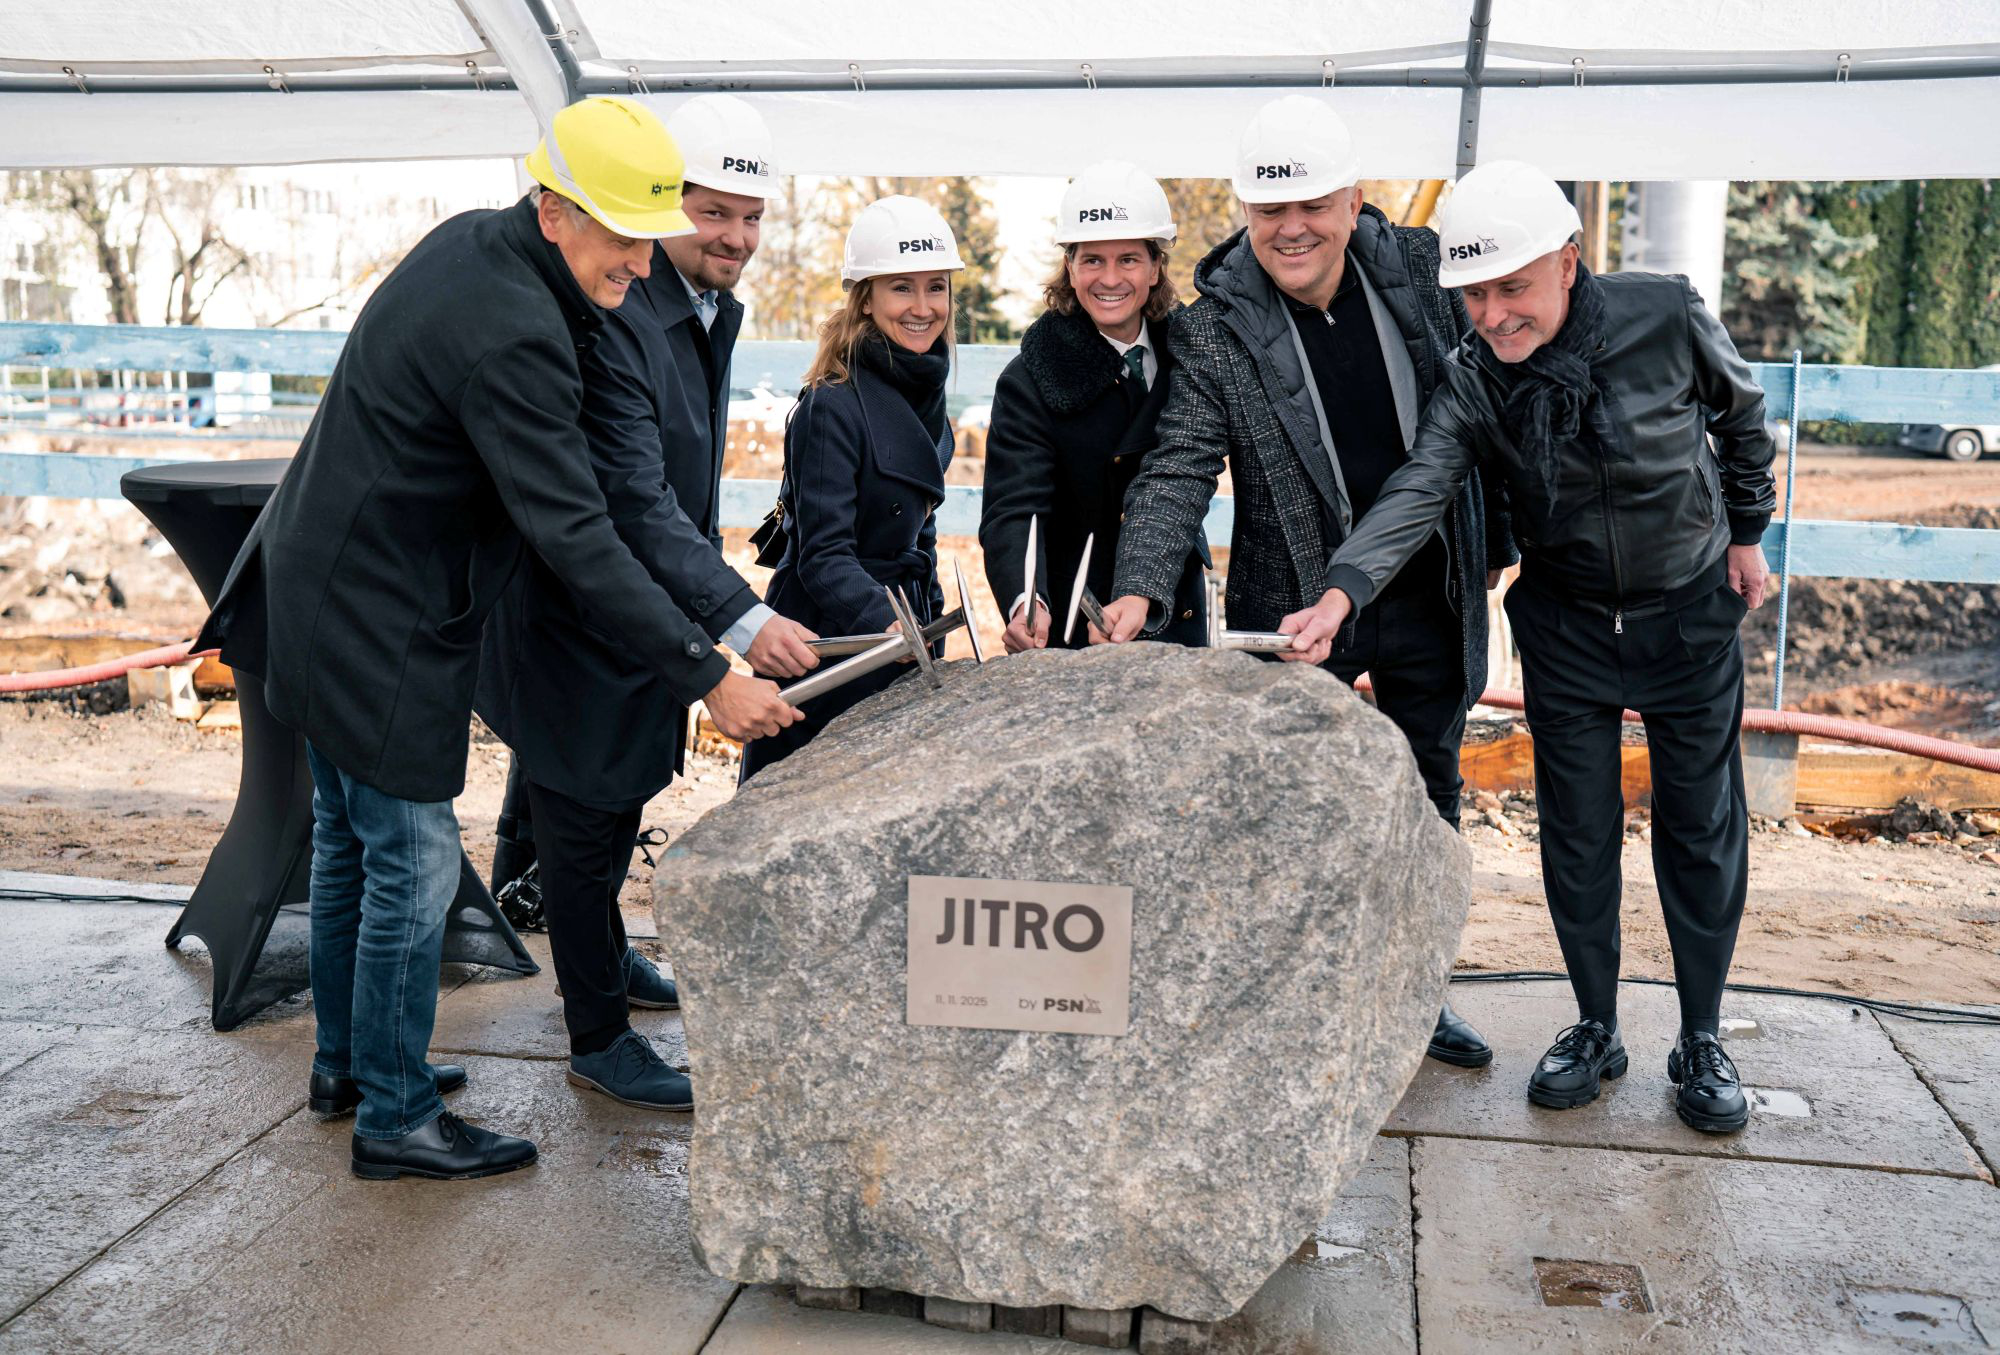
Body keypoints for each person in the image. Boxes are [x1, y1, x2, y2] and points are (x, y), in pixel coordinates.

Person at [193, 96, 800, 1181]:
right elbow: (577, 530)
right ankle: (395, 1116)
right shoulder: (517, 329)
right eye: (622, 236)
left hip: (313, 586)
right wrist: (708, 672)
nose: (639, 262)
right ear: (555, 210)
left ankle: (350, 1064)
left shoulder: (477, 243)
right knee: (414, 862)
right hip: (377, 617)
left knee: (349, 845)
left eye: (648, 235)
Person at [1306, 160, 1776, 1133]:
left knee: (1699, 826)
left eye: (1510, 287)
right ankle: (1595, 1024)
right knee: (1576, 830)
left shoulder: (1664, 314)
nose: (1491, 315)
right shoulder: (1476, 376)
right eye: (1473, 295)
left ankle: (1700, 1036)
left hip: (1687, 611)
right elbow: (1421, 484)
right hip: (1565, 622)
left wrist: (1744, 529)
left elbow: (1741, 417)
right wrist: (1343, 588)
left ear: (1568, 262)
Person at [1096, 96, 1509, 1072]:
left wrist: (1505, 534)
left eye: (1312, 205)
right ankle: (1296, 999)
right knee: (1287, 804)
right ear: (1244, 209)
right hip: (1289, 605)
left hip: (1428, 585)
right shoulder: (1212, 330)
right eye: (1269, 208)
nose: (1291, 228)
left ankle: (1417, 996)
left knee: (1426, 789)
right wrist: (1139, 586)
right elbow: (1178, 463)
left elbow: (1500, 388)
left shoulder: (1428, 273)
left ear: (1352, 201)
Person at [476, 95, 818, 1113]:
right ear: (667, 211)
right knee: (586, 820)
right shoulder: (622, 310)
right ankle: (596, 1036)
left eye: (751, 217)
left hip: (649, 599)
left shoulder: (705, 306)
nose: (736, 238)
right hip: (582, 608)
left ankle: (607, 956)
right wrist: (741, 618)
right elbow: (634, 497)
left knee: (613, 798)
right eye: (713, 213)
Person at [739, 195, 964, 777]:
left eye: (936, 287)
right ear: (865, 298)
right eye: (901, 288)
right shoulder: (831, 405)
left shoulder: (926, 394)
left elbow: (921, 533)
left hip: (902, 625)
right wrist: (890, 623)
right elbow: (822, 555)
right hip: (833, 637)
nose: (923, 307)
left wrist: (931, 616)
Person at [979, 160, 1205, 649]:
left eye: (1128, 260)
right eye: (1093, 260)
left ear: (1156, 267)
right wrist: (1026, 600)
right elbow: (1015, 509)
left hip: (1172, 605)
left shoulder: (1191, 356)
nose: (1110, 278)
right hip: (1081, 621)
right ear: (1070, 267)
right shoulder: (1030, 380)